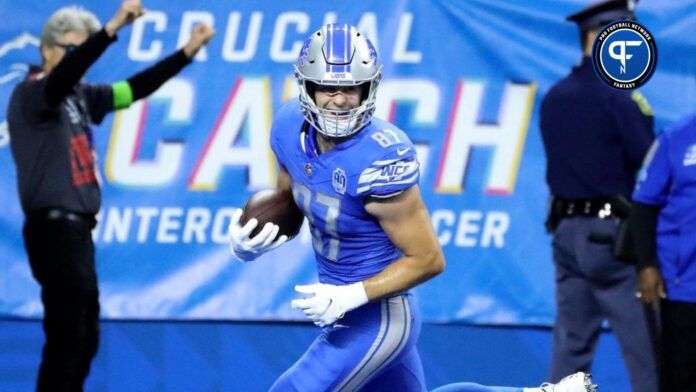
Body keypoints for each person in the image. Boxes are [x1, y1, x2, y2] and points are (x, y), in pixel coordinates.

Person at [229, 23, 595, 392]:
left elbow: (428, 259)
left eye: (351, 87)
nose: (339, 100)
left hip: (380, 316)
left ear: (369, 87)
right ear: (306, 87)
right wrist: (252, 242)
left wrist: (349, 295)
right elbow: (291, 202)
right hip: (340, 310)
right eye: (327, 87)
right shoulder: (290, 127)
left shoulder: (380, 155)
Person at [6, 1, 214, 390]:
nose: (77, 59)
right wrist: (112, 27)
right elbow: (64, 76)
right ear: (47, 49)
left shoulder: (80, 97)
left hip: (77, 232)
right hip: (53, 230)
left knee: (85, 338)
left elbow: (134, 88)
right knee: (68, 338)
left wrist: (186, 53)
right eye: (71, 49)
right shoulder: (34, 93)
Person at [539, 1, 658, 391]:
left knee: (569, 356)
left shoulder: (555, 96)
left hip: (566, 236)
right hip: (614, 243)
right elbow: (647, 161)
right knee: (648, 354)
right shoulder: (619, 97)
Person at [631, 113, 696, 391]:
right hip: (685, 285)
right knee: (681, 379)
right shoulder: (676, 137)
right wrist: (646, 265)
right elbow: (643, 205)